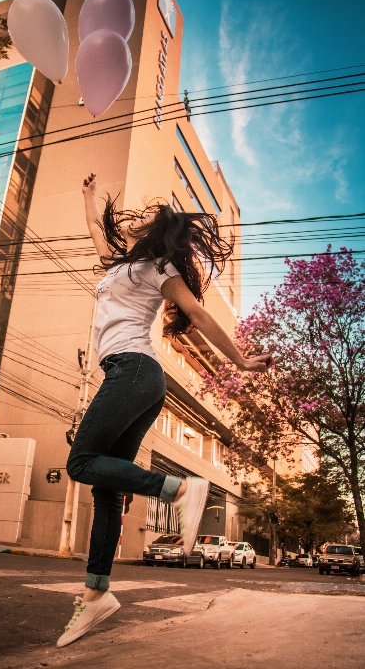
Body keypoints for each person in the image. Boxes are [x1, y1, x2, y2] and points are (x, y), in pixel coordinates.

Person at [57, 174, 273, 648]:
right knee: (108, 490)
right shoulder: (119, 265)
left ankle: (175, 489)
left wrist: (239, 359)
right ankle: (96, 595)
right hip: (135, 377)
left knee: (80, 463)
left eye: (144, 216)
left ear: (157, 231)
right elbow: (97, 228)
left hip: (134, 371)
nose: (132, 217)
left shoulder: (159, 268)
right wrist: (88, 194)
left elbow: (196, 313)